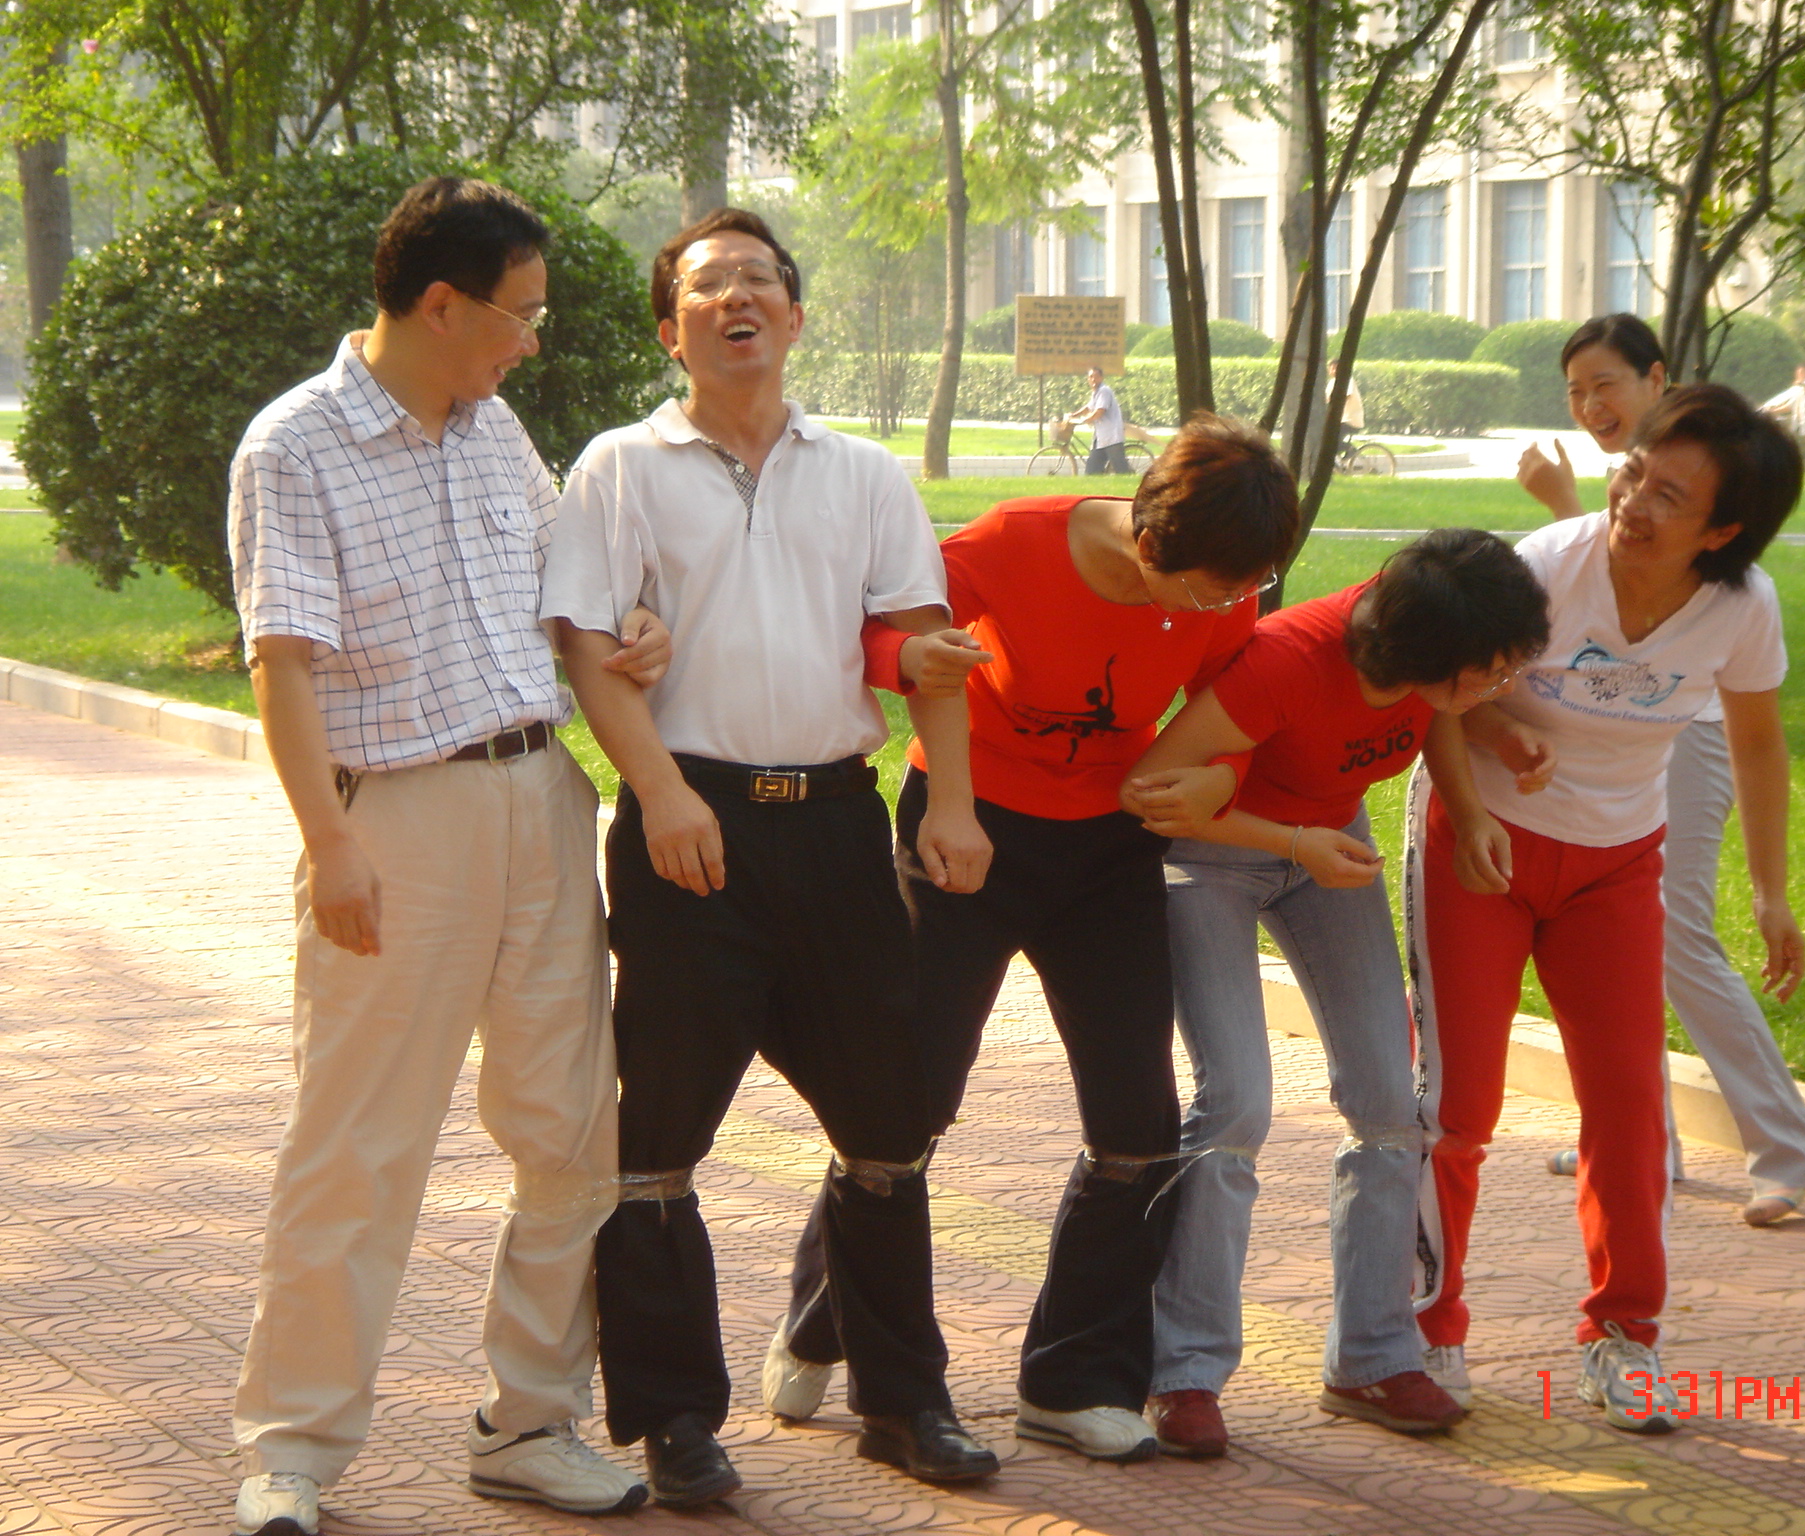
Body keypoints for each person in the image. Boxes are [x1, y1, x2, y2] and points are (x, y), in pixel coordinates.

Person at [539, 206, 1001, 1507]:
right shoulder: (620, 468)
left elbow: (922, 646)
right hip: (691, 832)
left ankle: (902, 1403)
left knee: (887, 1124)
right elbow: (589, 649)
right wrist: (661, 794)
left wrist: (953, 806)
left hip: (840, 828)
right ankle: (676, 1422)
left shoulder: (863, 474)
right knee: (657, 1136)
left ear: (795, 316)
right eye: (707, 284)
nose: (736, 297)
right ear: (669, 329)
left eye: (759, 279)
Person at [226, 177, 666, 1536]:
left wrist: (633, 633)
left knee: (571, 1129)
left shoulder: (493, 431)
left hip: (541, 798)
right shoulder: (294, 446)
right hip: (396, 823)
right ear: (439, 304)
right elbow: (282, 664)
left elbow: (560, 596)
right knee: (357, 1146)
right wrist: (331, 845)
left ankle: (529, 1422)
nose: (530, 341)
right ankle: (292, 1452)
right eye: (520, 315)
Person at [768, 415, 1301, 1463]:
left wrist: (1213, 781)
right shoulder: (1014, 542)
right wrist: (927, 727)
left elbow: (1226, 713)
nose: (1217, 609)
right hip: (970, 829)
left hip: (1107, 848)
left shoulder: (1226, 589)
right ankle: (824, 1322)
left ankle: (1072, 1379)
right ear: (1147, 537)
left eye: (1237, 591)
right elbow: (879, 638)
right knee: (907, 1104)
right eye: (1202, 590)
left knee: (1137, 1123)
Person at [1408, 384, 1805, 1433]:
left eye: (1669, 496)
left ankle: (1622, 1335)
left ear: (1720, 532)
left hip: (1616, 865)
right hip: (1482, 844)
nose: (1632, 500)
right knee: (1456, 1104)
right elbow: (1437, 692)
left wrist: (1770, 893)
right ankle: (1424, 1324)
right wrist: (1493, 753)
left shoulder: (1741, 609)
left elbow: (1758, 744)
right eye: (1634, 472)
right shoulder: (1545, 568)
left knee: (1628, 1107)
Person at [1116, 529, 1554, 1457]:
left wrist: (1470, 810)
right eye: (1488, 673)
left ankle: (1371, 1358)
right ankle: (1182, 1372)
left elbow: (1440, 711)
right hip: (1213, 856)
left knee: (1391, 1103)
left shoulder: (1416, 638)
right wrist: (1291, 844)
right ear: (1423, 655)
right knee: (1236, 1102)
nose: (1498, 688)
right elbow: (1147, 789)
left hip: (1327, 848)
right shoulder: (1287, 662)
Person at [1517, 314, 1805, 1226]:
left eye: (1607, 384)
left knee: (1674, 937)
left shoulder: (1721, 499)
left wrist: (1772, 891)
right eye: (1576, 390)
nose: (1591, 405)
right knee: (1620, 952)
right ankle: (1640, 1138)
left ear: (1658, 382)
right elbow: (1592, 591)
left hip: (1681, 731)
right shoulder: (1635, 483)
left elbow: (1755, 733)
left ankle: (1786, 1147)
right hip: (1600, 742)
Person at [1071, 365, 1132, 474]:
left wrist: (1085, 420)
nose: (1093, 379)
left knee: (1121, 470)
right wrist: (1073, 415)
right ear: (1088, 379)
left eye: (1096, 376)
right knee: (1091, 470)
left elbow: (1100, 411)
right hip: (1101, 438)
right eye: (1091, 377)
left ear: (1101, 378)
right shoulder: (1096, 392)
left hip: (1112, 437)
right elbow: (1088, 407)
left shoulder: (1104, 391)